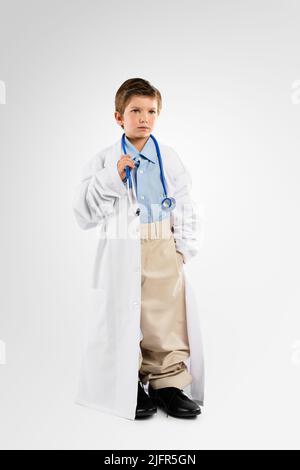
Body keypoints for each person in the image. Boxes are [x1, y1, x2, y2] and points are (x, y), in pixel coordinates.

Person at [72, 78, 205, 421]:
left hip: (162, 243)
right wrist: (111, 179)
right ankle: (125, 382)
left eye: (151, 111)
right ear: (119, 117)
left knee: (165, 315)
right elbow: (84, 214)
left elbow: (185, 202)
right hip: (122, 245)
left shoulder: (169, 158)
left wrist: (183, 250)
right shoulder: (104, 161)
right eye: (135, 111)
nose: (144, 118)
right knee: (120, 314)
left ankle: (166, 383)